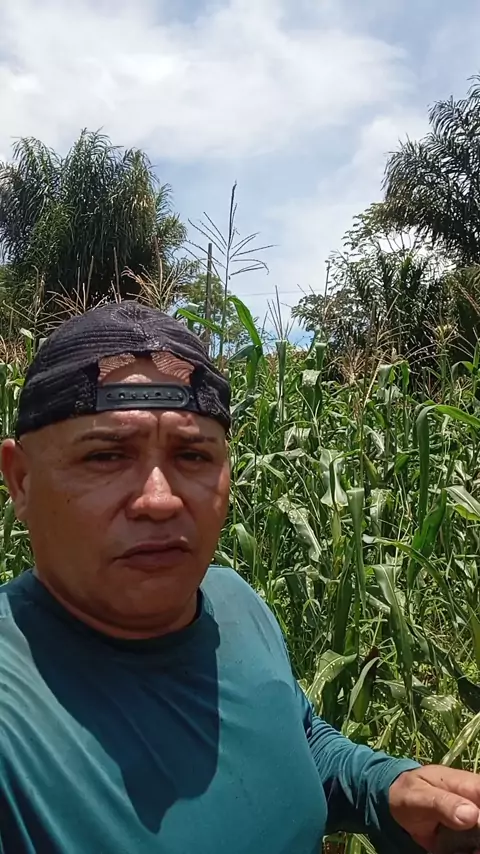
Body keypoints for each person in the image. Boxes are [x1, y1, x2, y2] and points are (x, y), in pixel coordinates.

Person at [0, 300, 478, 854]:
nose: (160, 499)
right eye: (106, 456)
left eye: (193, 456)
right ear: (21, 480)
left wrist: (383, 788)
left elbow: (295, 735)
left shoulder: (233, 600)